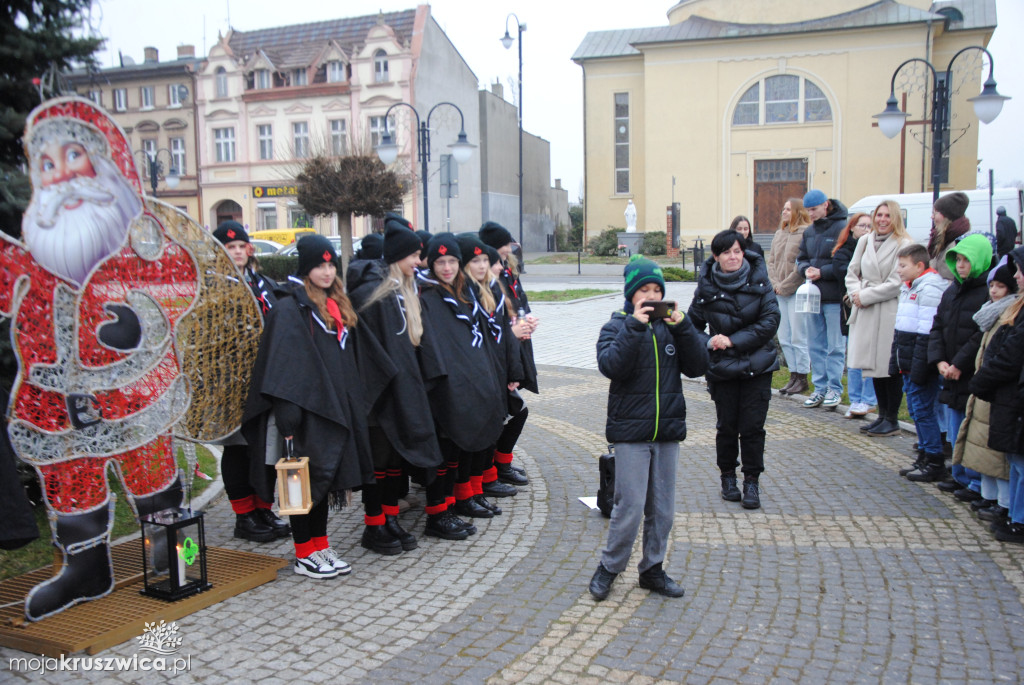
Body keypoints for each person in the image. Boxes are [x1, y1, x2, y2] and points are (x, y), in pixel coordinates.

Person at [0, 97, 199, 619]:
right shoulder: (32, 255)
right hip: (56, 402)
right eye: (48, 165)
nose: (63, 176)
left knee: (154, 479)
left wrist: (145, 316)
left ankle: (178, 560)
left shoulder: (140, 240)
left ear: (107, 165)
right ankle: (85, 569)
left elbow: (182, 280)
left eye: (74, 158)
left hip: (134, 396)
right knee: (70, 480)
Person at [243, 235, 394, 578]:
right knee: (302, 481)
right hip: (304, 411)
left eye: (330, 265)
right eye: (319, 266)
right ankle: (303, 552)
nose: (326, 272)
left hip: (336, 407)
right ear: (305, 269)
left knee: (325, 480)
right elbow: (282, 364)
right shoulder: (289, 308)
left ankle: (321, 545)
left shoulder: (335, 305)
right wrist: (287, 413)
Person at [589, 256, 708, 601]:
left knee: (663, 509)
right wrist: (634, 327)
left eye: (658, 290)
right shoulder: (617, 326)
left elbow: (699, 365)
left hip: (667, 430)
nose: (653, 297)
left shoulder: (672, 327)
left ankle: (652, 569)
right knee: (630, 506)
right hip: (631, 433)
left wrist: (684, 326)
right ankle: (609, 568)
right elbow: (611, 365)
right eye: (645, 290)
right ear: (631, 294)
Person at [417, 233, 507, 539]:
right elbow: (431, 346)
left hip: (470, 385)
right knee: (442, 454)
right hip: (444, 389)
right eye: (440, 261)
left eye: (452, 261)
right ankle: (436, 514)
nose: (446, 267)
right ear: (431, 263)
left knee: (456, 450)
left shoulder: (465, 292)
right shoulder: (427, 297)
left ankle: (453, 505)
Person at [688, 230, 779, 509]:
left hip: (758, 365)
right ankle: (727, 476)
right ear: (716, 256)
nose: (733, 257)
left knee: (752, 428)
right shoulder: (706, 287)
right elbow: (691, 327)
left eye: (737, 251)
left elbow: (770, 320)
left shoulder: (760, 280)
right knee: (726, 427)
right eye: (726, 252)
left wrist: (732, 340)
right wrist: (709, 341)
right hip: (723, 368)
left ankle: (751, 480)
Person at [212, 220, 290, 543]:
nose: (237, 252)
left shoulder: (263, 284)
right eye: (229, 248)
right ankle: (243, 516)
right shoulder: (213, 288)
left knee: (264, 446)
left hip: (264, 379)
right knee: (239, 448)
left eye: (240, 246)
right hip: (231, 384)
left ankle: (262, 508)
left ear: (249, 249)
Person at [924, 234, 992, 489]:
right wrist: (939, 360)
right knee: (954, 428)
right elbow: (938, 326)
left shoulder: (986, 292)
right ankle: (959, 474)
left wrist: (959, 364)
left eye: (966, 260)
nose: (961, 265)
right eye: (958, 260)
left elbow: (979, 335)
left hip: (968, 372)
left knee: (971, 429)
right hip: (949, 370)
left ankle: (974, 481)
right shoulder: (952, 291)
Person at [952, 260, 1018, 524]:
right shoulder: (991, 312)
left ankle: (1003, 503)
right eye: (992, 285)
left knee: (996, 455)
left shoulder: (1009, 314)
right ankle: (988, 495)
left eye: (1000, 286)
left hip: (996, 389)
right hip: (985, 386)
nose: (993, 291)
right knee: (981, 445)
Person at [967, 246, 1024, 543]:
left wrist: (981, 381)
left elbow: (1009, 356)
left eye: (1019, 272)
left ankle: (1018, 518)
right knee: (1015, 460)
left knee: (1019, 463)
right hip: (1006, 394)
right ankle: (1013, 514)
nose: (1017, 276)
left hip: (1013, 394)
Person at [844, 202, 915, 434]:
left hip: (886, 308)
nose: (882, 220)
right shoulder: (865, 241)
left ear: (894, 218)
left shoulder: (904, 244)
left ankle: (891, 418)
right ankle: (881, 415)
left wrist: (864, 295)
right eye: (879, 215)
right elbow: (852, 272)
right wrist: (856, 293)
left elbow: (897, 282)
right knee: (871, 364)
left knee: (887, 365)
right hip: (864, 307)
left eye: (887, 216)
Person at [480, 221, 536, 485]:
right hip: (496, 358)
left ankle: (500, 465)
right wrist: (512, 330)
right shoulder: (486, 284)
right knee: (509, 412)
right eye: (504, 247)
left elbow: (518, 302)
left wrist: (526, 320)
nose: (507, 253)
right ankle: (491, 472)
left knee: (512, 410)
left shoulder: (508, 271)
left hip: (512, 348)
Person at [889, 243, 949, 482]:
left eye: (903, 265)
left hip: (920, 361)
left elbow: (927, 332)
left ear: (920, 266)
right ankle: (924, 453)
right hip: (908, 357)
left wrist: (919, 368)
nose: (898, 270)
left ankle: (934, 458)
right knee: (915, 409)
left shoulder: (930, 288)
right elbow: (902, 328)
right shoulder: (909, 286)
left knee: (924, 410)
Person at [796, 189, 849, 409]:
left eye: (814, 209)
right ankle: (819, 388)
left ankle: (835, 389)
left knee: (835, 346)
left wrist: (823, 272)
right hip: (813, 297)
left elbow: (845, 261)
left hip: (834, 297)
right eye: (808, 210)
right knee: (815, 345)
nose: (811, 214)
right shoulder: (809, 232)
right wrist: (806, 269)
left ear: (825, 205)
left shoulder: (842, 228)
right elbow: (801, 259)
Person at [833, 212, 877, 418]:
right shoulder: (844, 250)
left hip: (873, 306)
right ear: (851, 228)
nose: (866, 229)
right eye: (862, 225)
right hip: (852, 307)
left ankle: (869, 400)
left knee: (871, 357)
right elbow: (844, 272)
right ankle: (856, 399)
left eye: (869, 226)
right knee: (854, 355)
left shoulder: (877, 249)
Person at [768, 198, 811, 396]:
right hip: (779, 292)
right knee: (784, 336)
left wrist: (785, 286)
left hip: (795, 291)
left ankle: (802, 376)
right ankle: (793, 374)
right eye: (783, 209)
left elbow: (799, 266)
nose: (784, 212)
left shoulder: (805, 234)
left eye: (788, 209)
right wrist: (776, 284)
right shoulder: (779, 234)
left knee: (798, 336)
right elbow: (771, 262)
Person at [928, 192, 971, 281]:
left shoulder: (958, 243)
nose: (932, 217)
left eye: (935, 213)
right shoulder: (944, 238)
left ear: (947, 216)